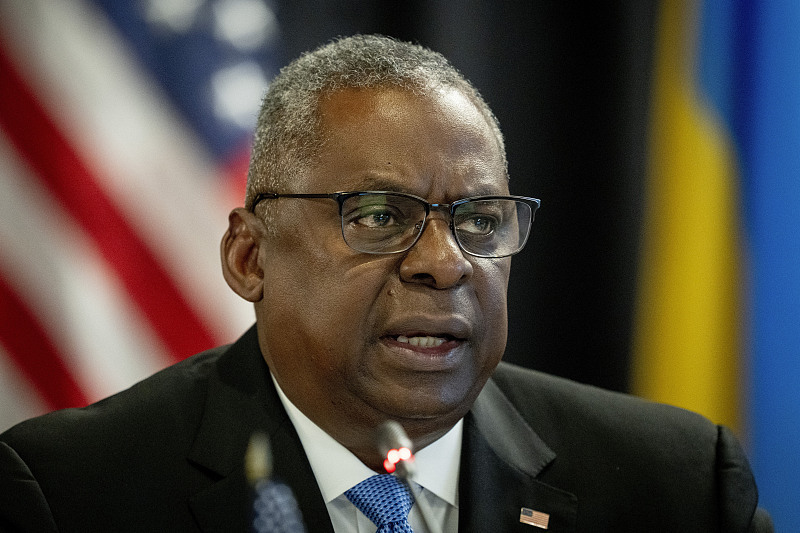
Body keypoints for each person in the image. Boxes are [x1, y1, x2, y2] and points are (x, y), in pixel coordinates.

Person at [0, 35, 771, 533]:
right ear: (250, 257)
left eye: (479, 219)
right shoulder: (71, 494)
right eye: (377, 215)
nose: (445, 261)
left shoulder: (677, 486)